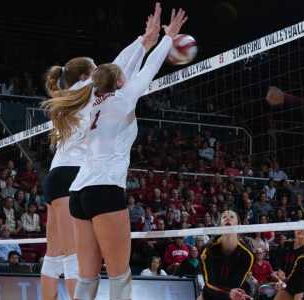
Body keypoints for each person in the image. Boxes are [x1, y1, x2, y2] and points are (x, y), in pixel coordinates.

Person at [48, 6, 187, 300]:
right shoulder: (123, 97)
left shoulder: (91, 100)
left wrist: (143, 41)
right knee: (119, 277)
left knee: (86, 279)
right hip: (104, 190)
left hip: (78, 194)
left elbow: (119, 67)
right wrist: (167, 39)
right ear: (121, 81)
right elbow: (147, 68)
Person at [198, 210, 255, 300]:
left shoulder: (247, 255)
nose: (228, 218)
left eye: (232, 217)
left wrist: (230, 294)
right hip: (212, 293)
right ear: (220, 225)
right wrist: (228, 293)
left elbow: (236, 287)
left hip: (236, 294)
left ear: (239, 226)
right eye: (224, 217)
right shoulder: (207, 250)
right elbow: (209, 285)